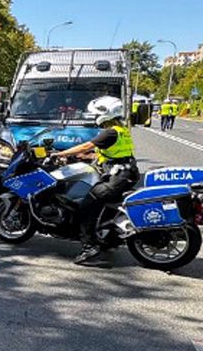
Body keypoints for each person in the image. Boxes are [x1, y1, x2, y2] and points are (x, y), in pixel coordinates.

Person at [51, 96, 139, 265]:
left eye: (96, 113)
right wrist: (84, 157)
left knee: (86, 207)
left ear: (106, 113)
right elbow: (112, 153)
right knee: (102, 207)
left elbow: (86, 145)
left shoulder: (110, 131)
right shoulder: (121, 130)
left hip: (117, 178)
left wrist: (59, 154)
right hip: (126, 174)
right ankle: (109, 241)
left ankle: (90, 249)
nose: (94, 117)